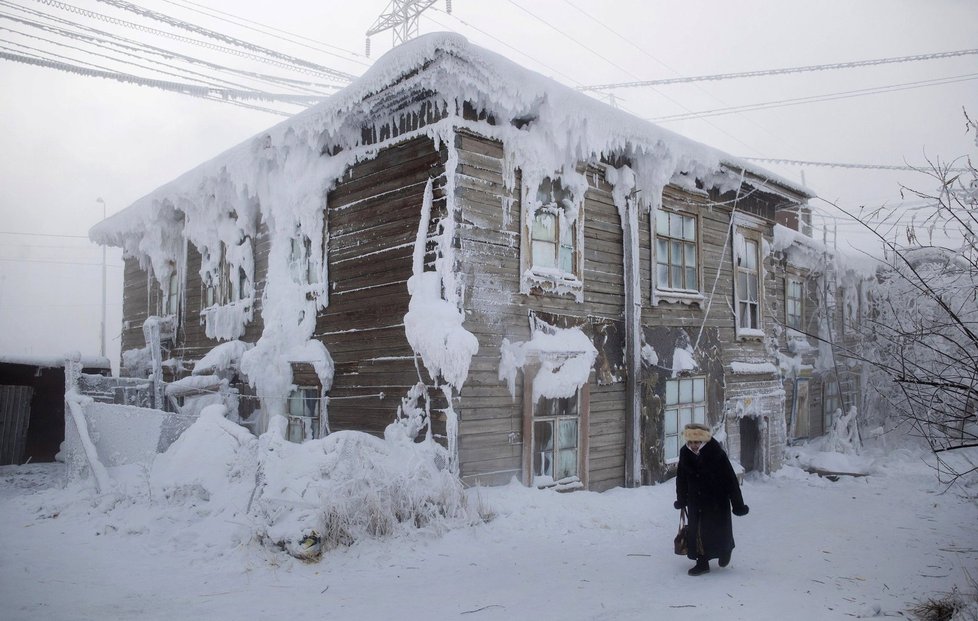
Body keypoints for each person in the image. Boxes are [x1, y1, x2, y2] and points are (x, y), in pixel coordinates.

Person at [674, 422, 749, 576]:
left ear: (703, 441)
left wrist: (738, 504)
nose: (694, 445)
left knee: (718, 530)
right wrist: (681, 499)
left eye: (697, 442)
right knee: (698, 532)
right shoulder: (685, 453)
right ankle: (702, 563)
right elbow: (681, 478)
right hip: (695, 501)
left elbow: (730, 480)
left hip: (717, 500)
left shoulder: (716, 453)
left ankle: (725, 551)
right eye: (691, 442)